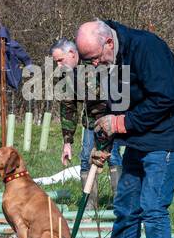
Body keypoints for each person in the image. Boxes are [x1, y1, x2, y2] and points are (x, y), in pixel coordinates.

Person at [74, 19, 174, 238]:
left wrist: (122, 123)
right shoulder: (109, 62)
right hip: (139, 135)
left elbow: (164, 99)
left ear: (109, 43)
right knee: (126, 208)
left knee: (153, 208)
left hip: (167, 135)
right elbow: (114, 107)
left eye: (92, 58)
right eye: (85, 61)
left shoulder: (147, 49)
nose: (91, 65)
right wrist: (104, 144)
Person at [50, 38, 123, 190]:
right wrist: (67, 142)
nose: (58, 65)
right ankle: (89, 206)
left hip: (111, 119)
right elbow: (68, 108)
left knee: (113, 156)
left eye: (60, 60)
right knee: (85, 160)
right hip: (91, 122)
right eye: (56, 62)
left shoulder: (96, 60)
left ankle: (121, 203)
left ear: (71, 53)